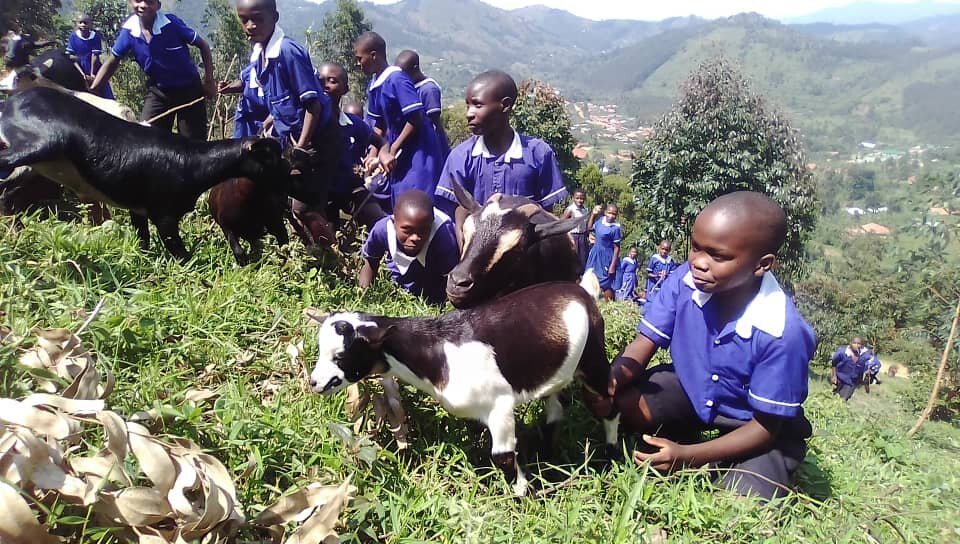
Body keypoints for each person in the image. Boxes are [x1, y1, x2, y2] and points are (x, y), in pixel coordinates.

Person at [606, 191, 817, 501]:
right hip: (693, 391)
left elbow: (765, 427)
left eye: (718, 256)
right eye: (695, 247)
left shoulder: (783, 332)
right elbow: (643, 343)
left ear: (763, 264)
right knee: (626, 402)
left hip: (754, 426)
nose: (698, 263)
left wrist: (687, 457)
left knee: (741, 503)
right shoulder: (683, 280)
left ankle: (715, 458)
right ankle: (685, 438)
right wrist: (608, 382)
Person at [234, 0, 340, 211]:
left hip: (316, 140)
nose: (250, 25)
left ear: (275, 17)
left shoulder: (288, 52)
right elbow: (282, 98)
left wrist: (300, 148)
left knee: (304, 207)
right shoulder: (260, 54)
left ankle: (323, 243)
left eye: (257, 19)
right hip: (294, 137)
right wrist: (270, 121)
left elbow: (313, 107)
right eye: (244, 20)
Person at [434, 70, 568, 228]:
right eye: (468, 105)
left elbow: (545, 213)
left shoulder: (538, 154)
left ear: (505, 105)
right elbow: (458, 211)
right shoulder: (460, 157)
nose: (469, 113)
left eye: (478, 105)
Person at [90, 0, 215, 139]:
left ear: (158, 6)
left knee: (192, 143)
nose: (143, 5)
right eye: (138, 0)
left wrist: (209, 81)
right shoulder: (129, 31)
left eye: (149, 1)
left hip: (189, 89)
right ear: (130, 2)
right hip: (159, 92)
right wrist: (93, 89)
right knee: (147, 136)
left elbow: (203, 45)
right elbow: (113, 60)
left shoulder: (172, 24)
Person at [354, 32, 444, 213]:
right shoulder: (375, 84)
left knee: (419, 201)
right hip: (399, 150)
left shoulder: (397, 79)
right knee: (401, 203)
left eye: (359, 58)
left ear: (373, 55)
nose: (358, 63)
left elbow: (415, 118)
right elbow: (378, 124)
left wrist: (392, 150)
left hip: (418, 150)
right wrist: (373, 153)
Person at [317, 61, 386, 229]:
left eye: (332, 81)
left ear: (345, 89)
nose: (325, 85)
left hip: (350, 187)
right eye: (320, 81)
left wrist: (382, 154)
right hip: (320, 193)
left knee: (378, 221)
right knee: (327, 236)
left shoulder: (354, 124)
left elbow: (380, 142)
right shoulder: (310, 125)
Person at [360, 190, 459, 306]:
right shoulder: (382, 230)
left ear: (432, 225)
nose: (415, 238)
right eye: (407, 230)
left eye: (423, 231)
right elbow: (370, 261)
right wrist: (363, 299)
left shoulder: (444, 235)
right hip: (399, 284)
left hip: (435, 282)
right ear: (394, 222)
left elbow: (452, 278)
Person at [396, 49, 450, 158]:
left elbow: (434, 122)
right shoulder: (409, 87)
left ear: (415, 68)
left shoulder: (429, 89)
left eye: (405, 74)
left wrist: (441, 147)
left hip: (429, 147)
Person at [66, 13, 114, 99]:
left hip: (95, 67)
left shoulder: (95, 37)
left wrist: (92, 73)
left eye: (85, 23)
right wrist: (82, 74)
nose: (83, 25)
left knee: (104, 91)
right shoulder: (73, 37)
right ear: (77, 24)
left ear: (90, 24)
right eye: (80, 22)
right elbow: (71, 57)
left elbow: (94, 56)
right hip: (78, 68)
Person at [218, 64, 269, 139]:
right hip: (246, 119)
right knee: (239, 148)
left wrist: (266, 125)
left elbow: (281, 106)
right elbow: (244, 82)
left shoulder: (279, 69)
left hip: (267, 120)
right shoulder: (254, 66)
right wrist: (228, 88)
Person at [586, 204, 621, 301]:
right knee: (591, 277)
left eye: (614, 214)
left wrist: (612, 266)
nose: (611, 216)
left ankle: (608, 305)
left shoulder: (615, 228)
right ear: (605, 212)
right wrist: (593, 214)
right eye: (609, 213)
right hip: (595, 253)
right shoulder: (600, 221)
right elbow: (589, 228)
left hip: (607, 257)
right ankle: (591, 301)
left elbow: (617, 248)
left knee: (606, 282)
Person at [562, 188, 590, 272]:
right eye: (577, 198)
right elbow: (562, 223)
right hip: (573, 236)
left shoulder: (585, 210)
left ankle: (581, 277)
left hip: (582, 237)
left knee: (583, 259)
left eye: (582, 198)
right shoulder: (570, 210)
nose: (580, 200)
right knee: (573, 258)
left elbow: (586, 225)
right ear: (573, 198)